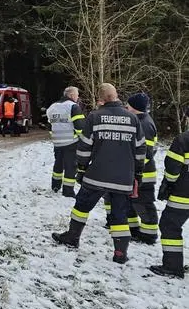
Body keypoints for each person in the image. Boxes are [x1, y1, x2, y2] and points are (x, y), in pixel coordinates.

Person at [52, 83, 146, 264]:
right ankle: (120, 253)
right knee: (119, 215)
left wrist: (81, 169)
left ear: (100, 99)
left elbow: (84, 148)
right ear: (117, 95)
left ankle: (72, 237)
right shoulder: (133, 119)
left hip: (96, 175)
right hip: (123, 177)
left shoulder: (95, 117)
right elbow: (141, 149)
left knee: (81, 207)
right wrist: (137, 172)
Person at [150, 128, 189, 278]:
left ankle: (173, 266)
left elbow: (173, 169)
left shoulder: (184, 140)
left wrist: (169, 184)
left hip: (183, 194)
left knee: (169, 225)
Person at [124, 92, 159, 244]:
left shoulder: (145, 124)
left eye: (128, 105)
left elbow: (146, 153)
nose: (126, 107)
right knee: (132, 202)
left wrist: (135, 169)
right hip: (135, 172)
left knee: (144, 203)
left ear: (134, 107)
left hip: (144, 174)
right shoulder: (138, 121)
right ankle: (134, 229)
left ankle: (149, 234)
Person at [46, 86, 84, 197]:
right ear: (71, 95)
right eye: (77, 95)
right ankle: (68, 191)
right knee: (70, 167)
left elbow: (50, 125)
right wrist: (82, 140)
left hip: (57, 142)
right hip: (71, 142)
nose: (78, 97)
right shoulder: (73, 106)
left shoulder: (52, 107)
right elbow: (80, 127)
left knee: (58, 165)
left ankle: (55, 186)